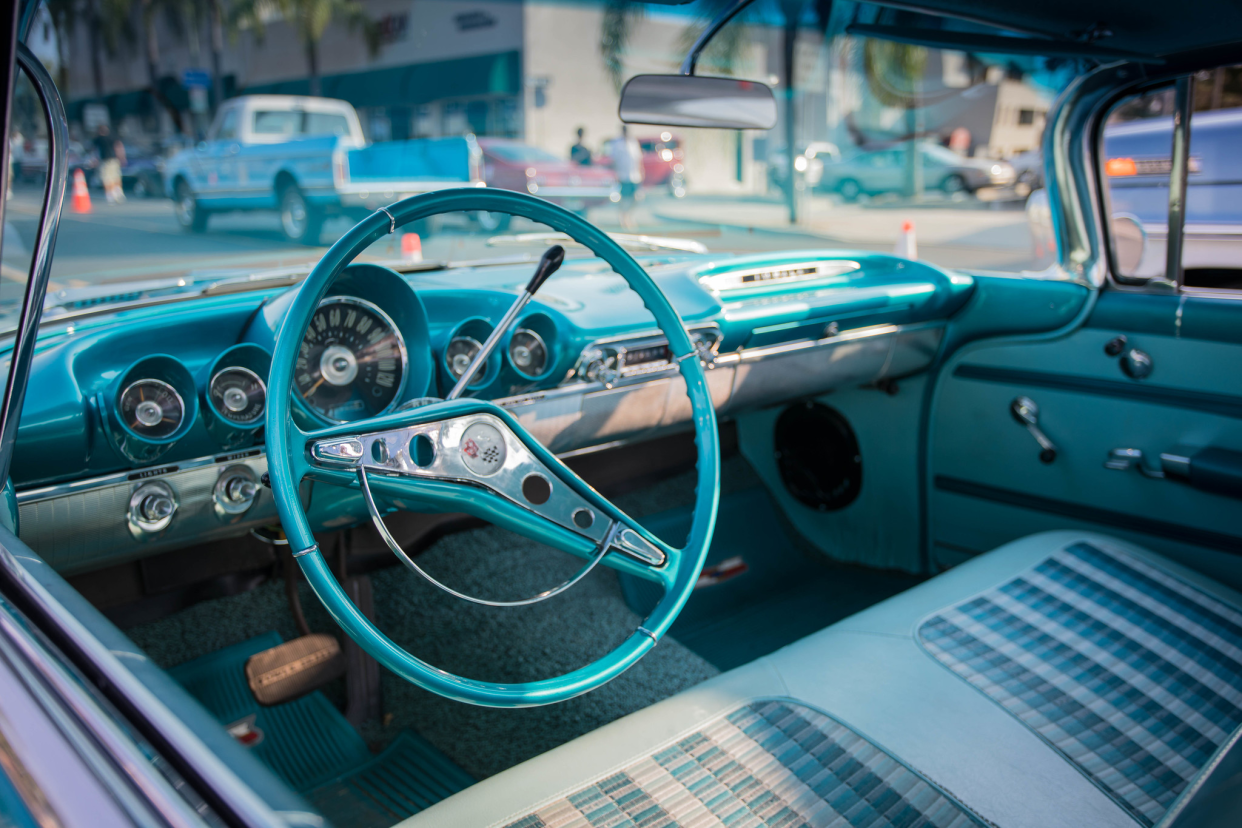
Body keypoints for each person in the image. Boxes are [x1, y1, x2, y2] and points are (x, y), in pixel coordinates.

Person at [605, 124, 643, 230]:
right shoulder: (617, 143)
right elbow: (613, 160)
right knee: (624, 199)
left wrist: (641, 172)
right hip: (623, 175)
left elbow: (638, 158)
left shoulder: (633, 142)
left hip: (634, 175)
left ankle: (629, 215)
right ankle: (623, 218)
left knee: (636, 197)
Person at [92, 123, 126, 204]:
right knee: (115, 176)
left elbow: (94, 150)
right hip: (113, 160)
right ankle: (118, 192)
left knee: (107, 178)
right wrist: (122, 157)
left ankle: (110, 194)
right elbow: (119, 147)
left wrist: (94, 160)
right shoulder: (112, 137)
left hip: (105, 160)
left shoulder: (98, 139)